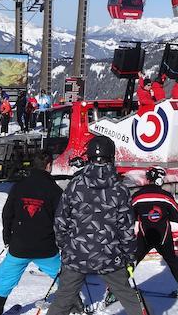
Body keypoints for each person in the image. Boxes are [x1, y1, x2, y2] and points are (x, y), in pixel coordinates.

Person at [47, 135, 146, 315]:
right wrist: (129, 254)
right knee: (128, 296)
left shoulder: (75, 184)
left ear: (89, 156)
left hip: (77, 253)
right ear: (111, 157)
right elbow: (126, 228)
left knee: (63, 299)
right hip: (109, 255)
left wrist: (66, 246)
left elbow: (61, 220)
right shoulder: (120, 189)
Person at [0, 152, 63, 315]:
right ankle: (75, 305)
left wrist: (7, 237)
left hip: (19, 246)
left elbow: (7, 213)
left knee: (4, 279)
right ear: (48, 166)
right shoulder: (54, 189)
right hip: (46, 248)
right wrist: (62, 242)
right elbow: (62, 219)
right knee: (64, 276)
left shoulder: (19, 186)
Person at [105, 167, 178, 304]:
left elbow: (129, 216)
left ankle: (114, 291)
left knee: (132, 261)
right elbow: (177, 217)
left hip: (144, 236)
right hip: (163, 237)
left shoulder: (137, 195)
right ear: (159, 180)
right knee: (172, 261)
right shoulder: (166, 196)